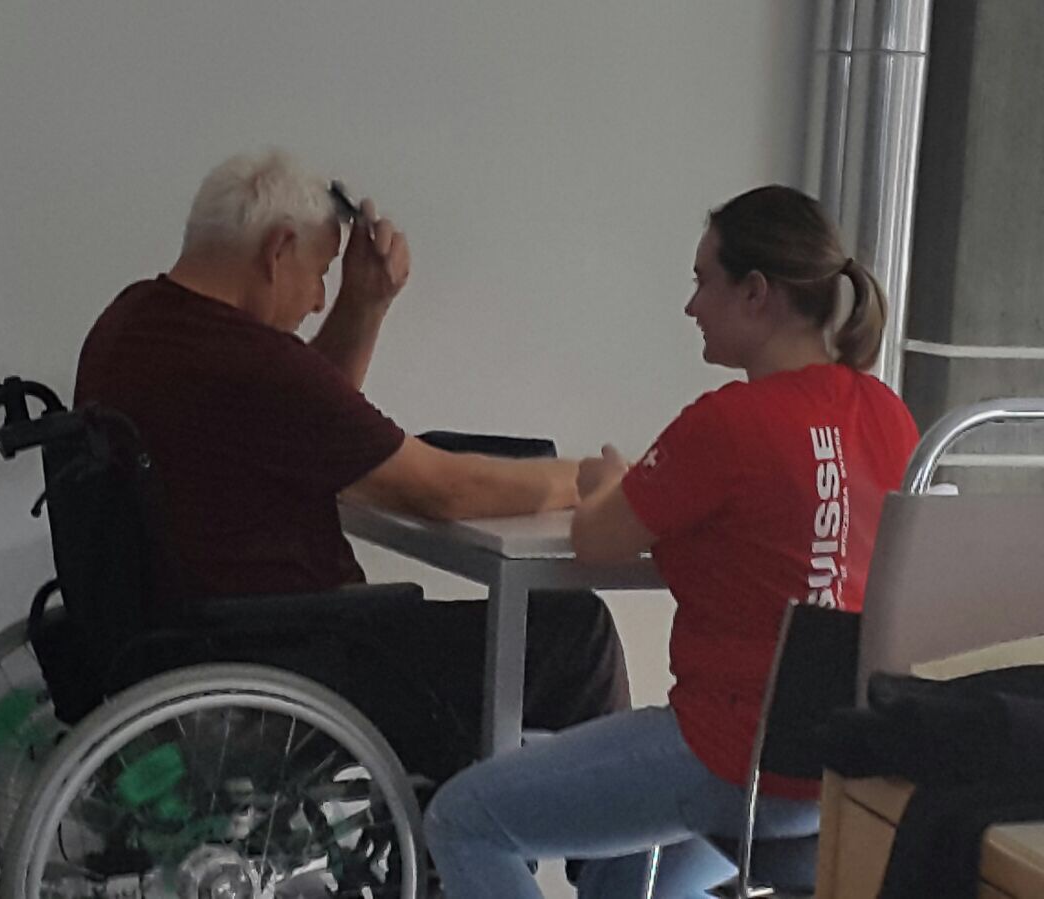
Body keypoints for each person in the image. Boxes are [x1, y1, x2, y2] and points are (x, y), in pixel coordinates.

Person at [72, 148, 629, 785]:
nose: (317, 301)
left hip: (186, 645)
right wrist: (593, 480)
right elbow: (444, 491)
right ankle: (599, 841)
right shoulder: (246, 361)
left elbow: (307, 412)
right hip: (296, 659)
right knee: (574, 631)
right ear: (279, 249)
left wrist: (364, 304)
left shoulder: (133, 322)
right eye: (320, 273)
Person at [424, 185, 922, 898]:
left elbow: (597, 539)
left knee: (464, 819)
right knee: (625, 885)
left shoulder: (729, 422)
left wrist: (608, 483)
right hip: (838, 771)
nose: (691, 306)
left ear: (755, 293)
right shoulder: (888, 414)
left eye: (702, 281)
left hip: (727, 757)